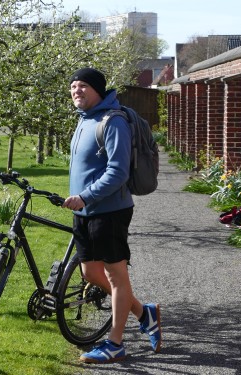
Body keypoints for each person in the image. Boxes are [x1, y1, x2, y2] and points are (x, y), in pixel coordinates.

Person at [61, 68, 161, 363]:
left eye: (83, 86)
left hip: (110, 211)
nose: (76, 91)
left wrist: (85, 197)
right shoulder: (84, 120)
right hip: (85, 211)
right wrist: (80, 200)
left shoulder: (112, 121)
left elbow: (117, 172)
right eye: (73, 86)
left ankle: (115, 343)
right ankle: (145, 313)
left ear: (98, 90)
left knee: (117, 276)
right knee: (90, 273)